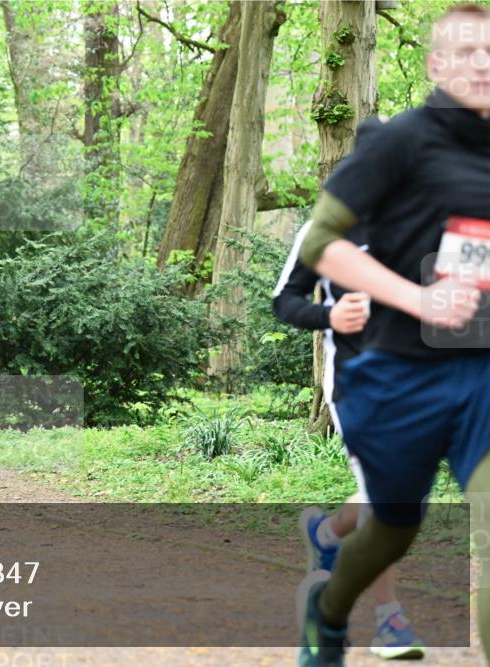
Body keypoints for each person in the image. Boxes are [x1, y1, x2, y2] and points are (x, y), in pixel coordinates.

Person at [295, 5, 490, 666]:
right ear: (436, 65)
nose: (483, 63)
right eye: (465, 52)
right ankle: (328, 612)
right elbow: (320, 244)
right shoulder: (400, 140)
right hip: (399, 371)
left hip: (482, 373)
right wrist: (419, 298)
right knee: (393, 528)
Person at [274, 222, 424, 660]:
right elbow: (285, 301)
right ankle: (388, 619)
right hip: (356, 385)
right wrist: (330, 317)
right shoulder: (327, 227)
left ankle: (327, 533)